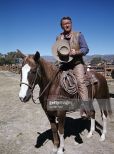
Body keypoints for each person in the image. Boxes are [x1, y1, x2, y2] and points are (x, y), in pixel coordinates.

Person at [55, 16, 90, 113]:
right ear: (61, 26)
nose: (66, 25)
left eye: (68, 23)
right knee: (55, 80)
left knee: (80, 82)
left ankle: (86, 107)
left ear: (71, 24)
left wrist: (76, 52)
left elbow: (86, 49)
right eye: (64, 24)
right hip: (64, 63)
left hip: (76, 63)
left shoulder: (78, 35)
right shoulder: (59, 37)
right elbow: (57, 51)